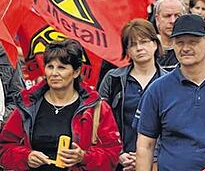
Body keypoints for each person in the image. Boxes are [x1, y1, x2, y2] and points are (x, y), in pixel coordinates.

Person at [0, 39, 121, 170]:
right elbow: (4, 148)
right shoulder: (28, 104)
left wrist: (83, 157)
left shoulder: (96, 108)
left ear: (76, 72)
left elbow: (112, 155)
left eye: (61, 67)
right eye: (50, 66)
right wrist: (26, 157)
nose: (54, 73)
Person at [135, 15, 205, 171]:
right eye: (180, 43)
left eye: (193, 42)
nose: (185, 48)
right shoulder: (158, 89)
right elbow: (145, 145)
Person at [99, 19, 167, 171]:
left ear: (155, 44)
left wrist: (148, 159)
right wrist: (118, 153)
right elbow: (99, 121)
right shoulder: (113, 79)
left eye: (144, 42)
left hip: (159, 163)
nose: (139, 48)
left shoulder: (169, 81)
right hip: (120, 161)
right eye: (132, 44)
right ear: (127, 50)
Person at [153, 0, 185, 71]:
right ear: (157, 19)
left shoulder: (191, 48)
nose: (173, 21)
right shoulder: (148, 48)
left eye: (177, 16)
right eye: (167, 16)